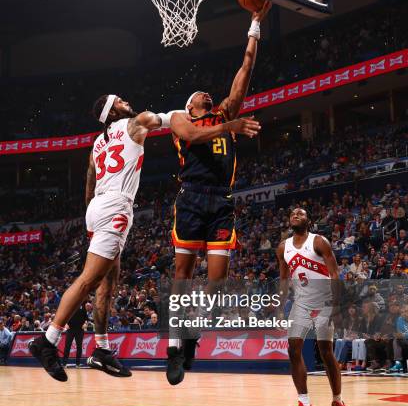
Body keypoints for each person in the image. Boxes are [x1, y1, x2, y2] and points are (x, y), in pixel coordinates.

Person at [29, 94, 260, 381]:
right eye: (120, 101)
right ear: (112, 110)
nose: (126, 101)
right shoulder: (136, 122)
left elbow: (90, 178)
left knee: (108, 283)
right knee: (89, 280)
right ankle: (48, 341)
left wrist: (92, 212)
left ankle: (102, 349)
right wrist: (195, 112)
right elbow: (174, 121)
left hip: (96, 206)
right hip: (116, 206)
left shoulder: (97, 143)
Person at [166, 2, 271, 385]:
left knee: (217, 282)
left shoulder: (226, 114)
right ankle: (175, 346)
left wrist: (254, 25)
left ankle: (192, 332)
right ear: (191, 104)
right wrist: (230, 127)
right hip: (191, 196)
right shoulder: (181, 120)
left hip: (221, 200)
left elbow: (245, 71)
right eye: (200, 95)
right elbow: (193, 136)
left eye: (208, 95)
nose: (206, 95)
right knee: (182, 273)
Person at [276, 207, 349, 406]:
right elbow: (283, 280)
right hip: (301, 304)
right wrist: (280, 305)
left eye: (300, 213)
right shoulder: (283, 248)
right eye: (292, 214)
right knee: (293, 349)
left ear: (309, 220)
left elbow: (335, 273)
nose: (295, 215)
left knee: (325, 351)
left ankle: (338, 404)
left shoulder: (319, 242)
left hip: (325, 301)